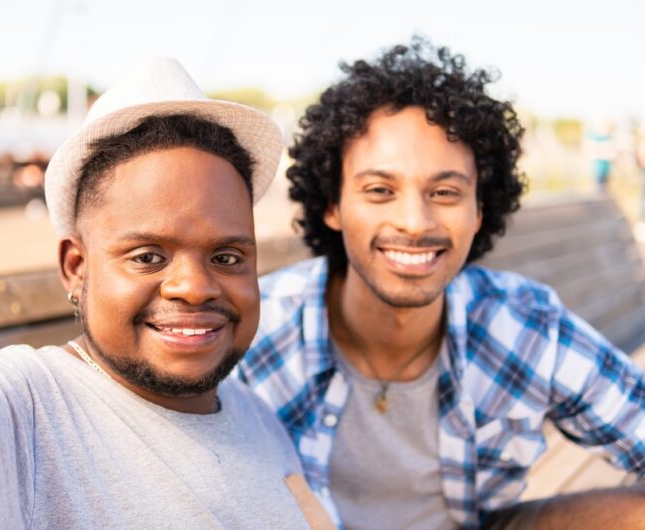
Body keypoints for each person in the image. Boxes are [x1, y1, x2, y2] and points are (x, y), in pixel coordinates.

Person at [0, 58, 324, 529]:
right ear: (76, 268)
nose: (195, 288)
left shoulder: (254, 415)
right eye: (148, 256)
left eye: (227, 258)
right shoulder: (22, 407)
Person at [239, 38, 645, 530]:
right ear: (332, 205)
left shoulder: (525, 323)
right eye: (379, 191)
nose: (414, 220)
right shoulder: (261, 330)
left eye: (445, 191)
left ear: (479, 211)